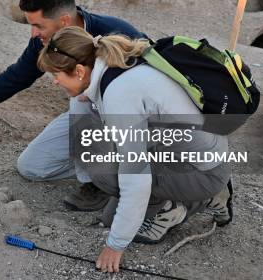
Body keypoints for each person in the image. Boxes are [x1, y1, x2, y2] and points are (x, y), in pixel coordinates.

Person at [0, 0, 144, 211]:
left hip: (134, 121)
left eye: (39, 25)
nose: (33, 33)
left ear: (63, 20)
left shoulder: (114, 32)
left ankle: (98, 182)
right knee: (32, 166)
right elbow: (17, 76)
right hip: (91, 119)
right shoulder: (44, 41)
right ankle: (109, 166)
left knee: (81, 101)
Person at [37, 26, 233, 273]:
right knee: (111, 216)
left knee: (100, 169)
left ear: (79, 70)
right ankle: (173, 199)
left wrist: (115, 245)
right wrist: (89, 95)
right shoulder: (118, 66)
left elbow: (136, 180)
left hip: (204, 172)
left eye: (56, 75)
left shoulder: (120, 95)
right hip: (199, 154)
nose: (54, 81)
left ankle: (200, 200)